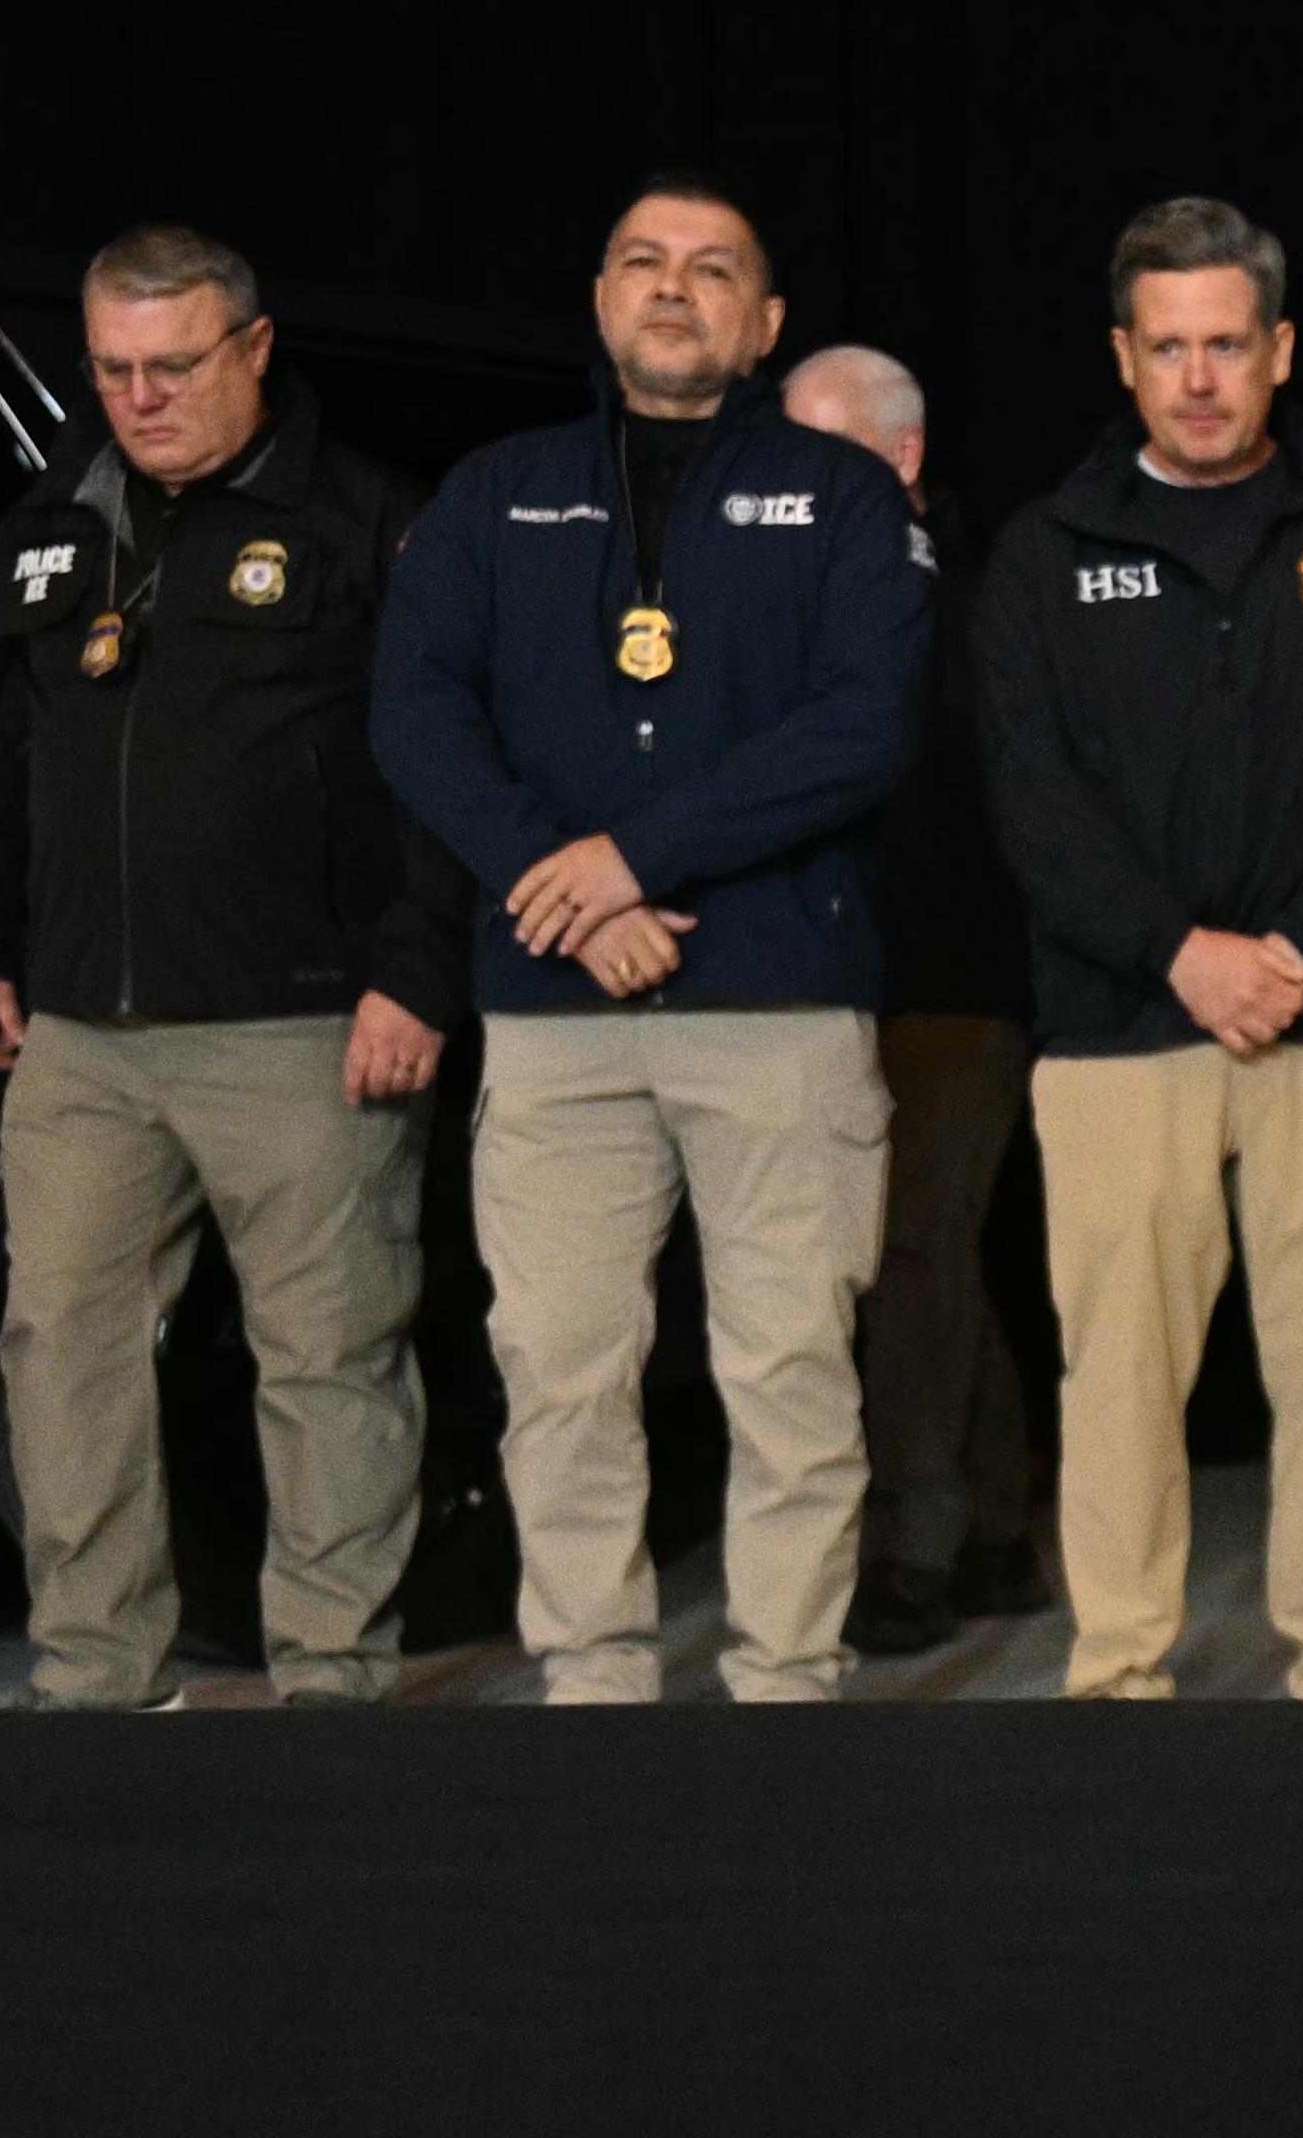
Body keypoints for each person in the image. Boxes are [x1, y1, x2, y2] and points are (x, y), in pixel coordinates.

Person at [367, 176, 929, 1704]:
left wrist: (629, 860)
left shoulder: (843, 495)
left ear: (766, 320)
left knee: (788, 1375)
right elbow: (415, 711)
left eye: (712, 268)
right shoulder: (495, 490)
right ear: (604, 299)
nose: (673, 286)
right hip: (556, 1012)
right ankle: (594, 1691)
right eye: (642, 261)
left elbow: (866, 726)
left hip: (779, 1003)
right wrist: (558, 877)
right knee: (557, 1374)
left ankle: (786, 1690)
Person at [0, 222, 461, 1710]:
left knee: (328, 1357)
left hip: (302, 1025)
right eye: (112, 369)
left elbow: (450, 777)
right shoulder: (49, 527)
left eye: (173, 365)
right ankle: (96, 1677)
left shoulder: (369, 522)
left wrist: (418, 974)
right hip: (80, 1032)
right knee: (60, 1348)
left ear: (255, 347)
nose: (141, 399)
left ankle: (333, 1683)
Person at [976, 196, 1303, 1703]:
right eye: (1169, 348)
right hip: (1121, 1029)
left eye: (1227, 346)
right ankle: (1121, 1676)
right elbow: (1031, 793)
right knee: (1119, 1382)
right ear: (1123, 358)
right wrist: (1178, 953)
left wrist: (1297, 950)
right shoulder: (1044, 553)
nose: (1199, 379)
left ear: (1281, 350)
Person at [781, 343, 1053, 1655]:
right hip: (826, 973)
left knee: (911, 1252)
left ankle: (913, 1544)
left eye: (823, 452)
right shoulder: (787, 592)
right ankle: (997, 1526)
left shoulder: (979, 600)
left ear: (903, 458)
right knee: (924, 1257)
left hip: (956, 973)